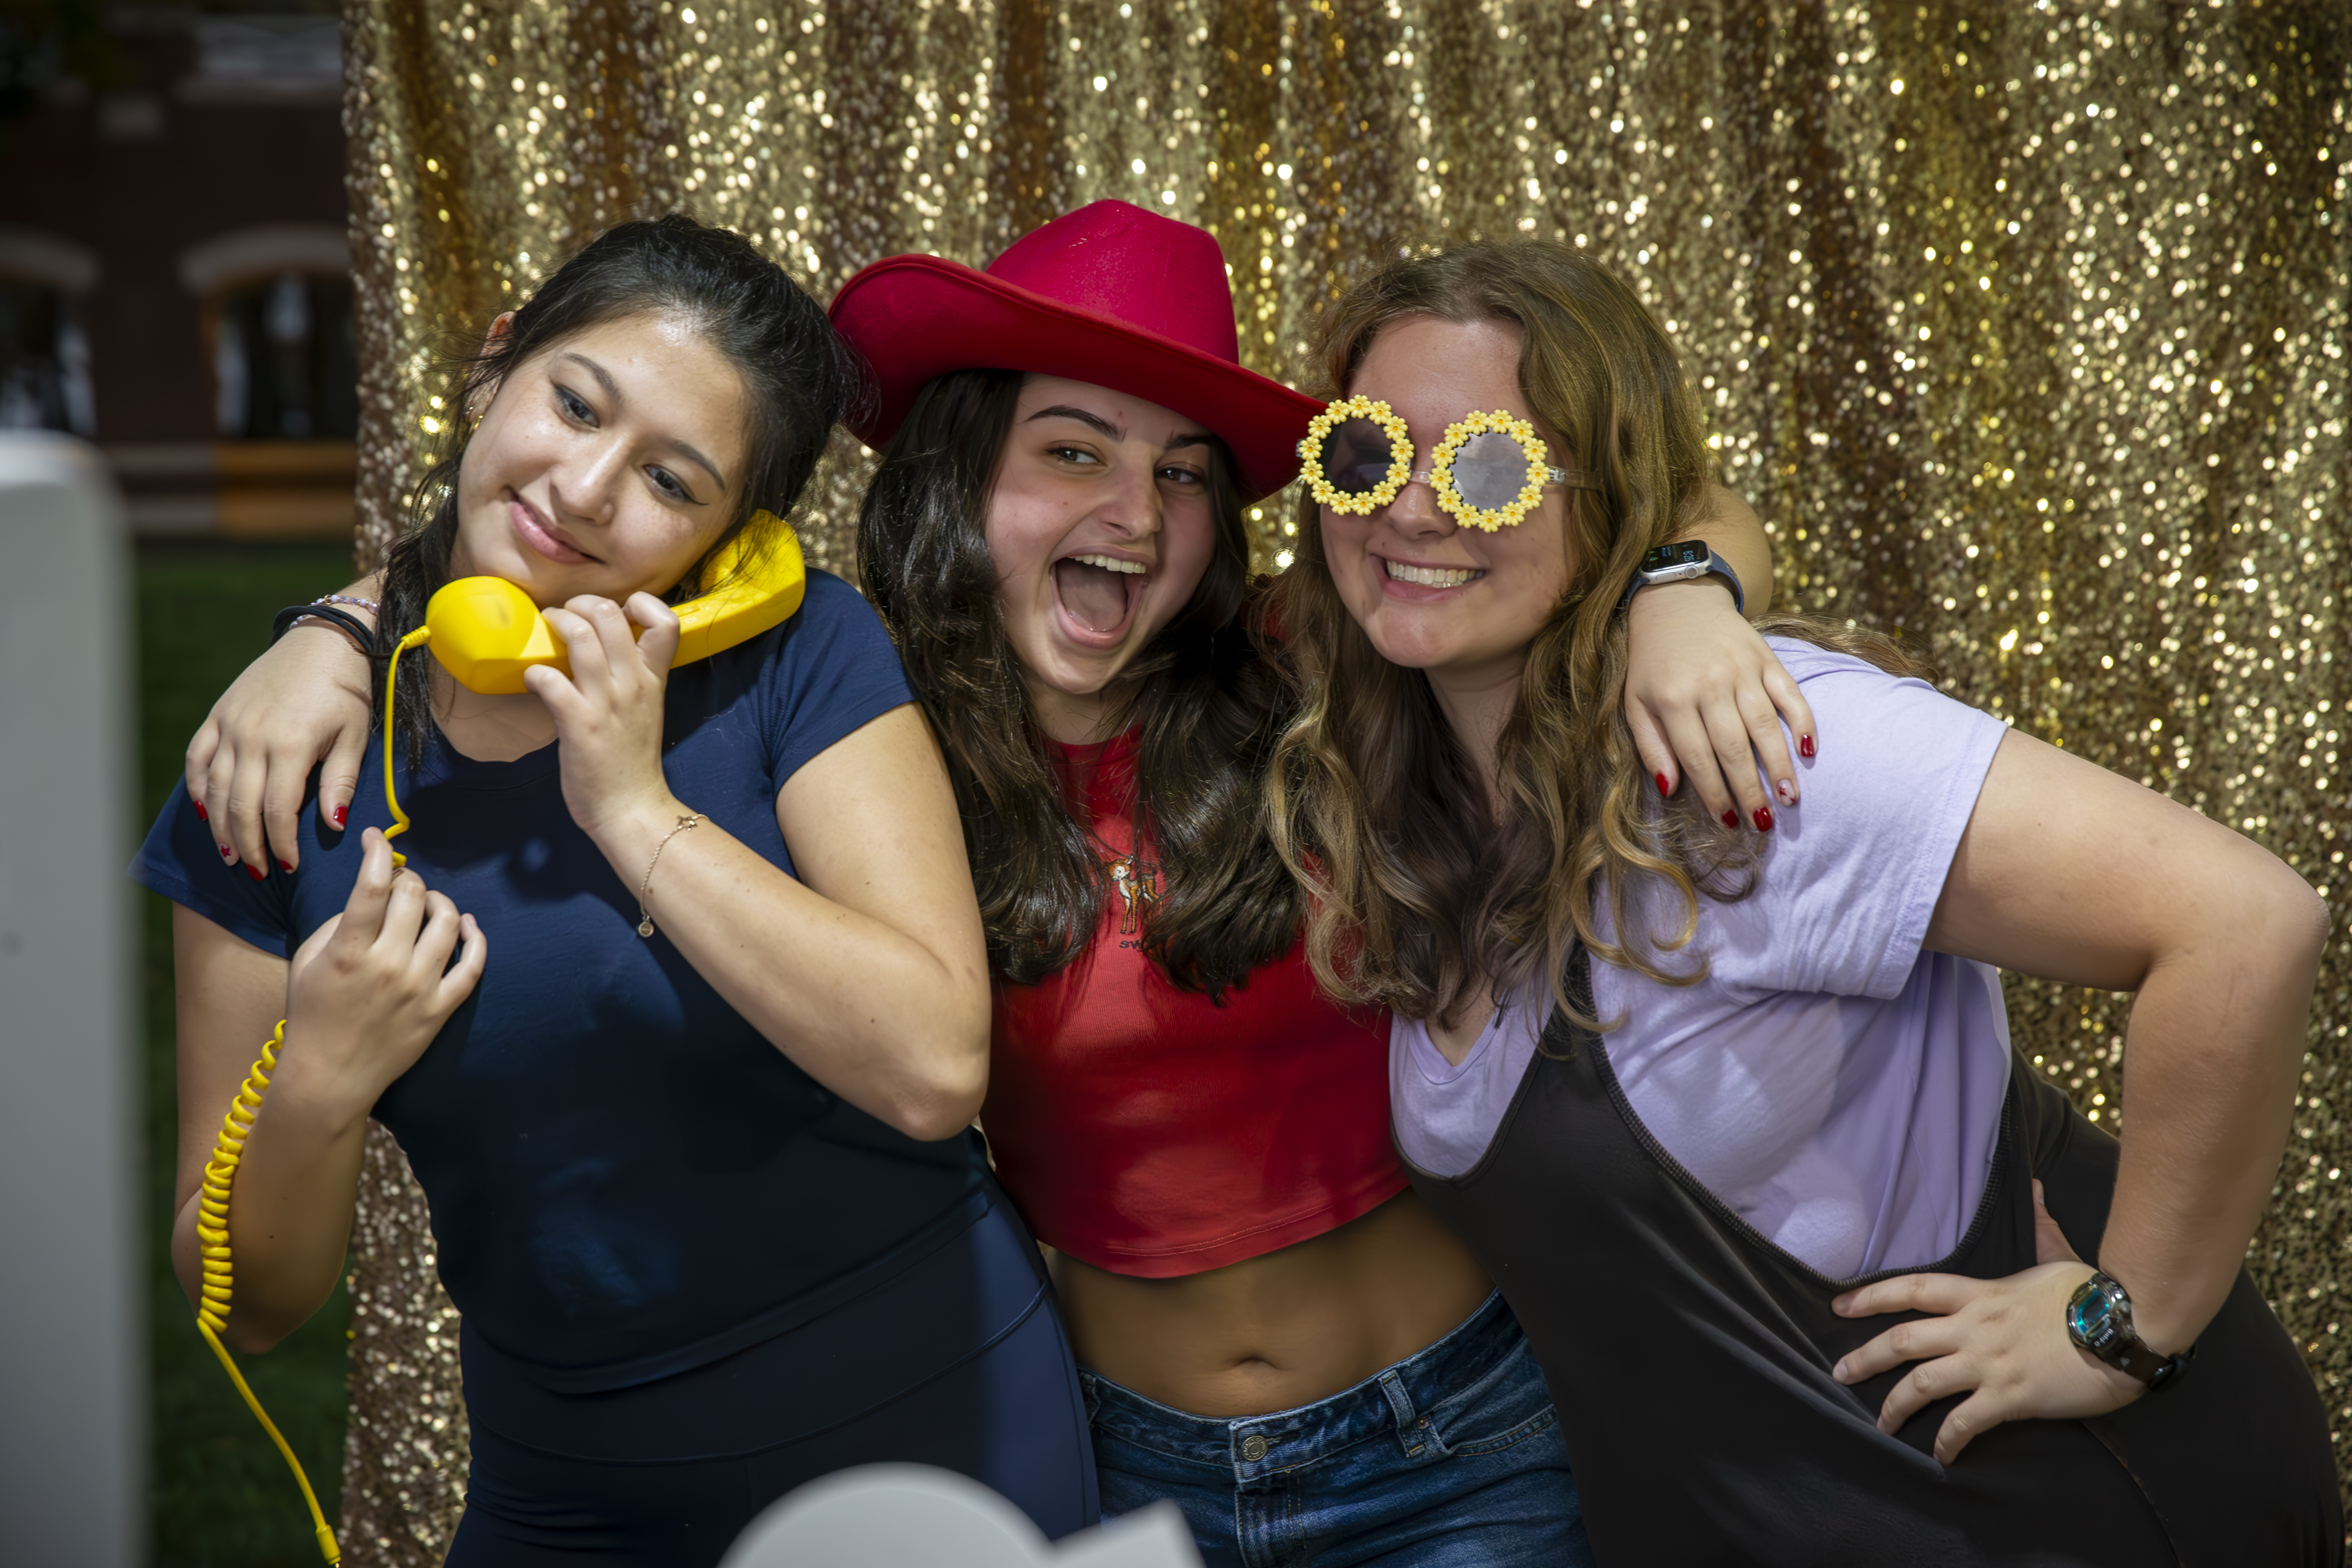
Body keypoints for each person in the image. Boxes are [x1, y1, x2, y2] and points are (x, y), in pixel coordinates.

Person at [180, 203, 1807, 1566]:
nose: (1134, 511)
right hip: (1118, 1457)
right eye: (1074, 451)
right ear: (964, 475)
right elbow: (538, 538)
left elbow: (1631, 516)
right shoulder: (853, 703)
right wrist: (335, 631)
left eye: (1182, 476)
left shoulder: (1320, 675)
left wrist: (1680, 589)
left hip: (1449, 1442)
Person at [1265, 236, 2343, 1564]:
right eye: (1369, 453)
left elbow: (2244, 921)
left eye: (1489, 465)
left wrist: (2128, 1328)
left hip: (2046, 1518)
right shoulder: (1412, 804)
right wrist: (1687, 575)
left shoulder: (1761, 751)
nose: (1415, 512)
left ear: (1609, 502)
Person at [135, 216, 1095, 1566]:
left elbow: (934, 1067)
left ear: (729, 541)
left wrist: (635, 810)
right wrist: (321, 1076)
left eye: (671, 479)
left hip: (929, 1421)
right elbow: (241, 1305)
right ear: (495, 369)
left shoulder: (802, 654)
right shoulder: (278, 768)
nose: (585, 489)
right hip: (568, 1488)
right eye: (573, 403)